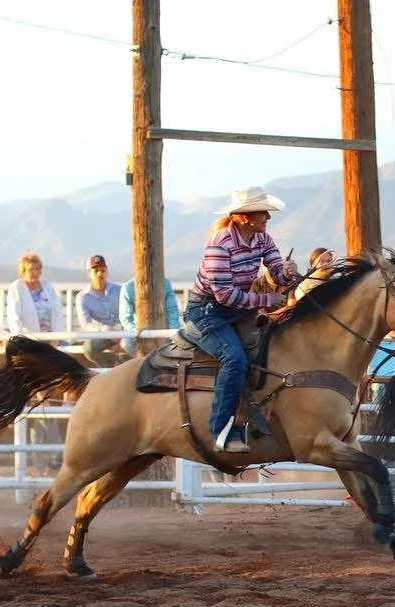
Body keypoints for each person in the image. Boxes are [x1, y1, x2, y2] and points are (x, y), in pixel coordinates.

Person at [184, 186, 297, 452]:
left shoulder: (263, 240)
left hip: (238, 307)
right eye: (263, 213)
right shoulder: (220, 245)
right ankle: (221, 430)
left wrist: (288, 273)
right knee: (234, 359)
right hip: (208, 312)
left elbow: (277, 272)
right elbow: (224, 295)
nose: (268, 217)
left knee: (275, 345)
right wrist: (266, 301)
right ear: (245, 217)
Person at [75, 254, 125, 367]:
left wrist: (122, 332)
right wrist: (106, 331)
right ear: (89, 273)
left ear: (107, 271)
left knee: (129, 345)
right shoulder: (82, 297)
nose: (99, 274)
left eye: (102, 270)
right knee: (89, 348)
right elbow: (86, 324)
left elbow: (129, 312)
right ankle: (111, 366)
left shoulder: (119, 290)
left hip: (125, 331)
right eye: (95, 270)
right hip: (103, 334)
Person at [119, 272, 182, 354]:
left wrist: (171, 332)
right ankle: (143, 363)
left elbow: (172, 312)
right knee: (127, 344)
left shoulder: (165, 284)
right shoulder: (128, 287)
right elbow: (126, 318)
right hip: (138, 330)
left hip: (163, 329)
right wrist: (138, 333)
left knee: (181, 342)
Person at [4, 251, 63, 335]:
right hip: (29, 339)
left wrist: (57, 337)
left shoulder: (47, 286)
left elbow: (57, 314)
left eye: (37, 269)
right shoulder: (17, 287)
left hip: (51, 338)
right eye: (30, 269)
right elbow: (14, 317)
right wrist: (21, 339)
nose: (34, 273)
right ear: (23, 271)